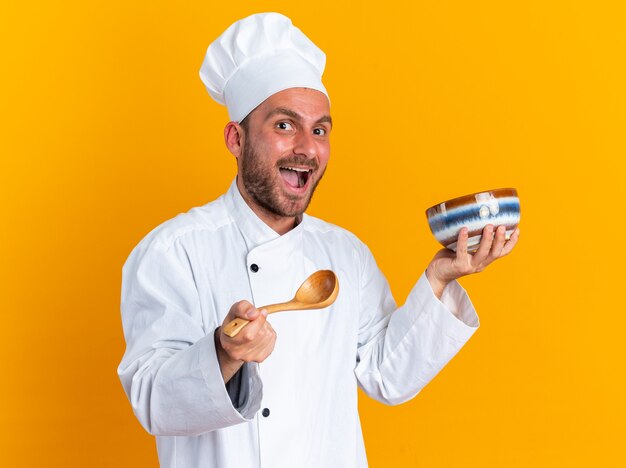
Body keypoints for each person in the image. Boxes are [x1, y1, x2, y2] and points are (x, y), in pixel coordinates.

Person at [117, 12, 519, 468]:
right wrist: (223, 354)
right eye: (284, 125)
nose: (307, 147)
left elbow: (388, 376)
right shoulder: (173, 252)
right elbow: (151, 400)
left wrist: (440, 278)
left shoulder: (345, 254)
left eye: (320, 129)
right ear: (236, 138)